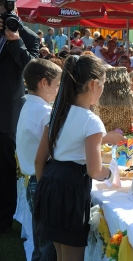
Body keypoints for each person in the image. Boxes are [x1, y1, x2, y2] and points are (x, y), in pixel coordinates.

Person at [33, 55, 125, 261]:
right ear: (93, 84)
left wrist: (45, 187)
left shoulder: (56, 113)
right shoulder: (91, 121)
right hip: (71, 188)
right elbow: (95, 171)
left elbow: (39, 159)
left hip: (49, 184)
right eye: (102, 85)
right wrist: (111, 172)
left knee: (59, 254)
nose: (102, 90)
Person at [0, 0, 40, 234]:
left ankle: (4, 221)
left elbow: (33, 73)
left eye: (5, 13)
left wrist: (15, 41)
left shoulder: (28, 37)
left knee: (4, 171)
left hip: (7, 116)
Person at [16, 59, 61, 260]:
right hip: (42, 179)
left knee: (39, 244)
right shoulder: (45, 112)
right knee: (47, 248)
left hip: (32, 180)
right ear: (44, 83)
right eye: (57, 85)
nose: (59, 90)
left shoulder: (28, 106)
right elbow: (59, 148)